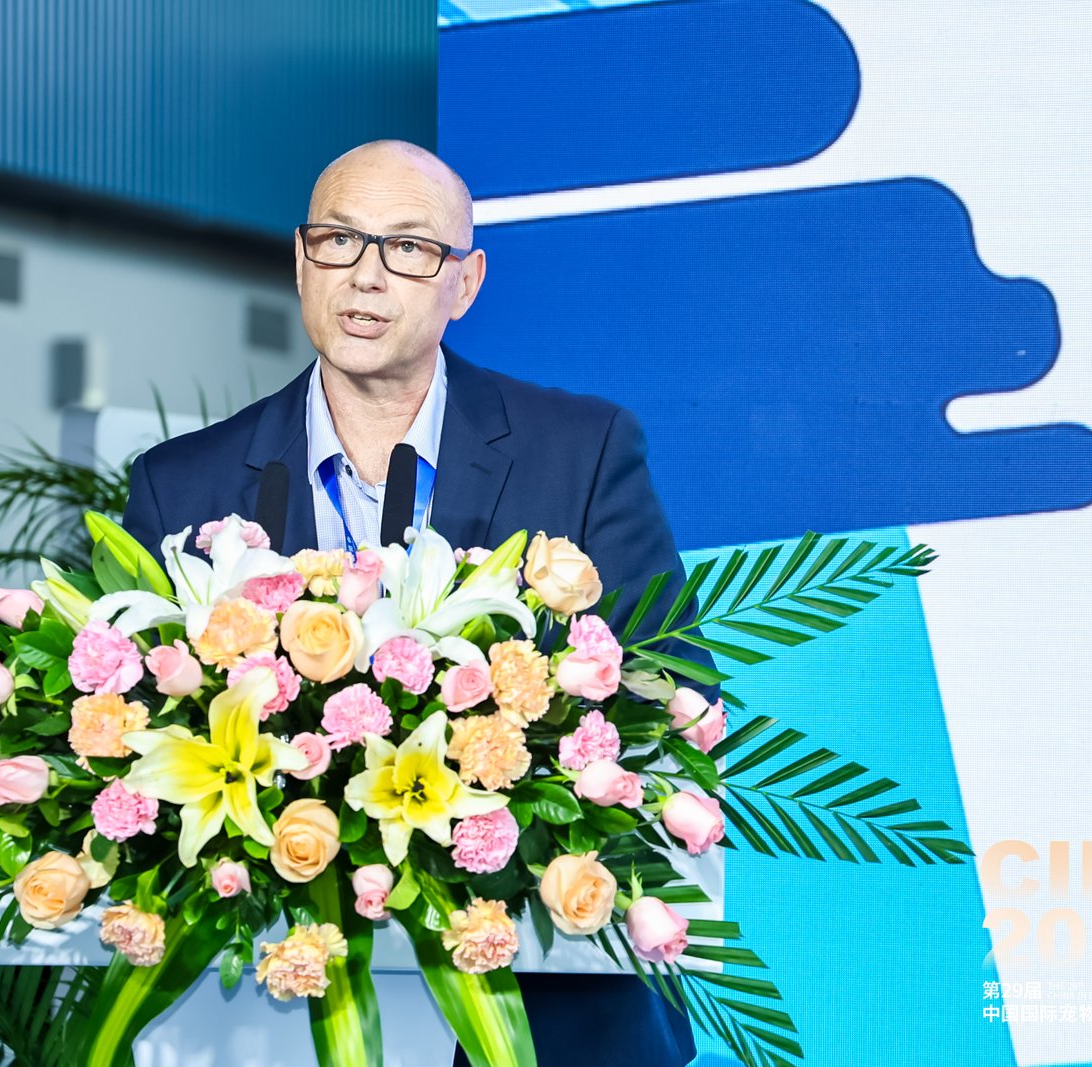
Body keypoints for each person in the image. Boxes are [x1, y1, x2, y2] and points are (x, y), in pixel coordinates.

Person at [123, 140, 707, 1067]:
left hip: (549, 1017)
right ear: (301, 259)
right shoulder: (181, 483)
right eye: (338, 240)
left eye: (407, 248)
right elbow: (128, 737)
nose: (365, 275)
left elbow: (672, 692)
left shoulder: (582, 448)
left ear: (464, 283)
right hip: (266, 1014)